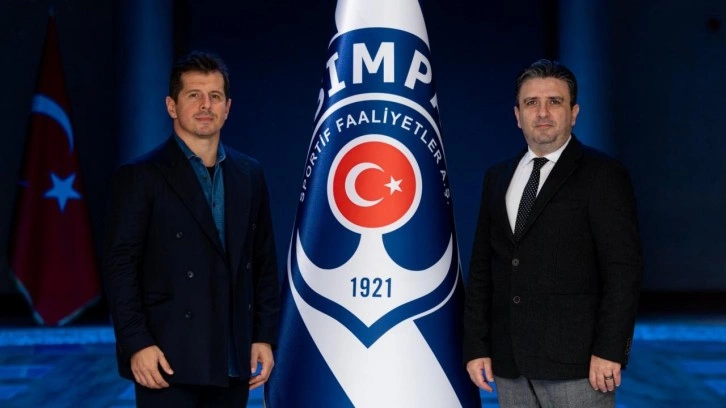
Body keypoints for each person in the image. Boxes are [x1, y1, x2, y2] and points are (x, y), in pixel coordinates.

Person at [103, 51, 280, 407]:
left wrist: (263, 335)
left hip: (232, 355)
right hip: (166, 355)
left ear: (228, 108)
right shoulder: (141, 176)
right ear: (172, 106)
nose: (205, 105)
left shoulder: (249, 173)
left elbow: (262, 263)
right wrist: (136, 343)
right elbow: (121, 268)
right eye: (194, 95)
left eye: (215, 96)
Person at [463, 59, 643, 407]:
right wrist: (477, 346)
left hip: (579, 367)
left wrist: (610, 350)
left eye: (554, 102)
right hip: (509, 364)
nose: (542, 112)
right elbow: (483, 268)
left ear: (574, 113)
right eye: (532, 102)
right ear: (517, 115)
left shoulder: (603, 175)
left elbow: (624, 271)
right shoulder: (497, 177)